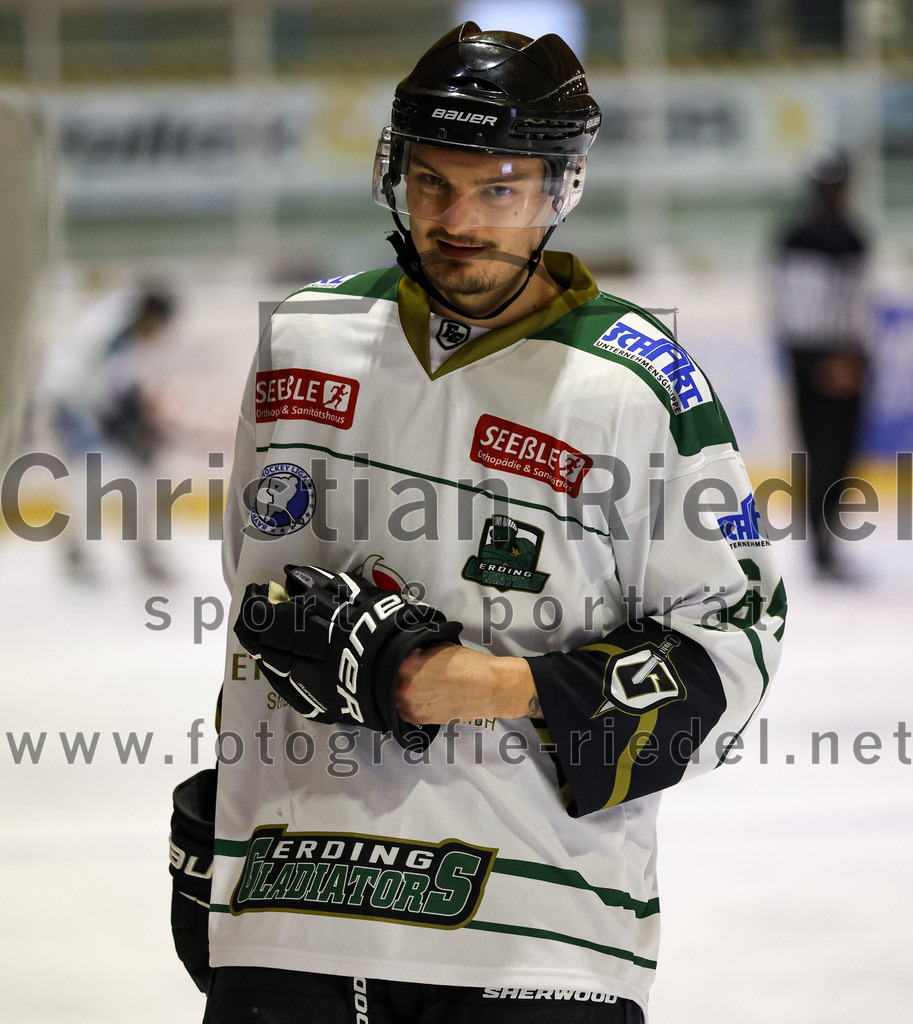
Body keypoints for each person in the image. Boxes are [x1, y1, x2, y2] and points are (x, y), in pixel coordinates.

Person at [174, 22, 786, 1023]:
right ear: (392, 174)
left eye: (497, 188)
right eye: (431, 184)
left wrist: (485, 684)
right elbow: (260, 607)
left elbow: (737, 641)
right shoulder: (303, 339)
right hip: (291, 911)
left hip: (531, 938)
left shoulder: (633, 379)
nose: (457, 219)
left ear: (560, 187)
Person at [770, 148, 872, 580]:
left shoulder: (831, 234)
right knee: (827, 452)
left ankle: (824, 543)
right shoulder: (819, 236)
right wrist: (830, 359)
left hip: (825, 357)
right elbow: (801, 307)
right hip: (823, 358)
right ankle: (821, 545)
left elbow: (853, 303)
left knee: (831, 452)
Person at [44, 285, 177, 581]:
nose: (158, 336)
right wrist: (129, 420)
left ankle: (134, 546)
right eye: (159, 327)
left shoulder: (121, 331)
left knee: (137, 472)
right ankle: (77, 549)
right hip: (74, 405)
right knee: (89, 475)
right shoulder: (107, 333)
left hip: (92, 406)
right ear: (150, 316)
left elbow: (119, 385)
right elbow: (86, 383)